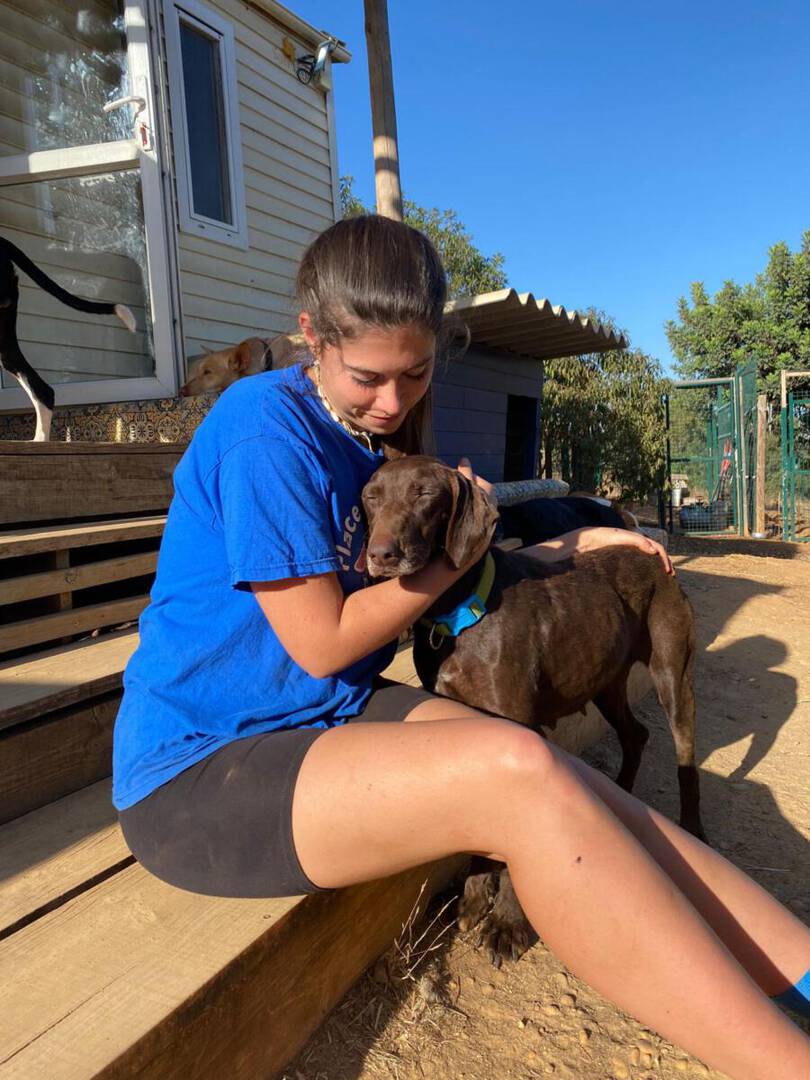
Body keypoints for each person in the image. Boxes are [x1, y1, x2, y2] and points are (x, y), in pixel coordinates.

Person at [113, 215, 810, 1080]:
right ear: (311, 338)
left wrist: (575, 543)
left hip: (326, 717)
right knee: (520, 776)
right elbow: (326, 642)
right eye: (369, 378)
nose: (393, 402)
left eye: (415, 373)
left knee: (567, 776)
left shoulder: (371, 438)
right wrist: (454, 559)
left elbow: (454, 554)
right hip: (202, 767)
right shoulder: (265, 430)